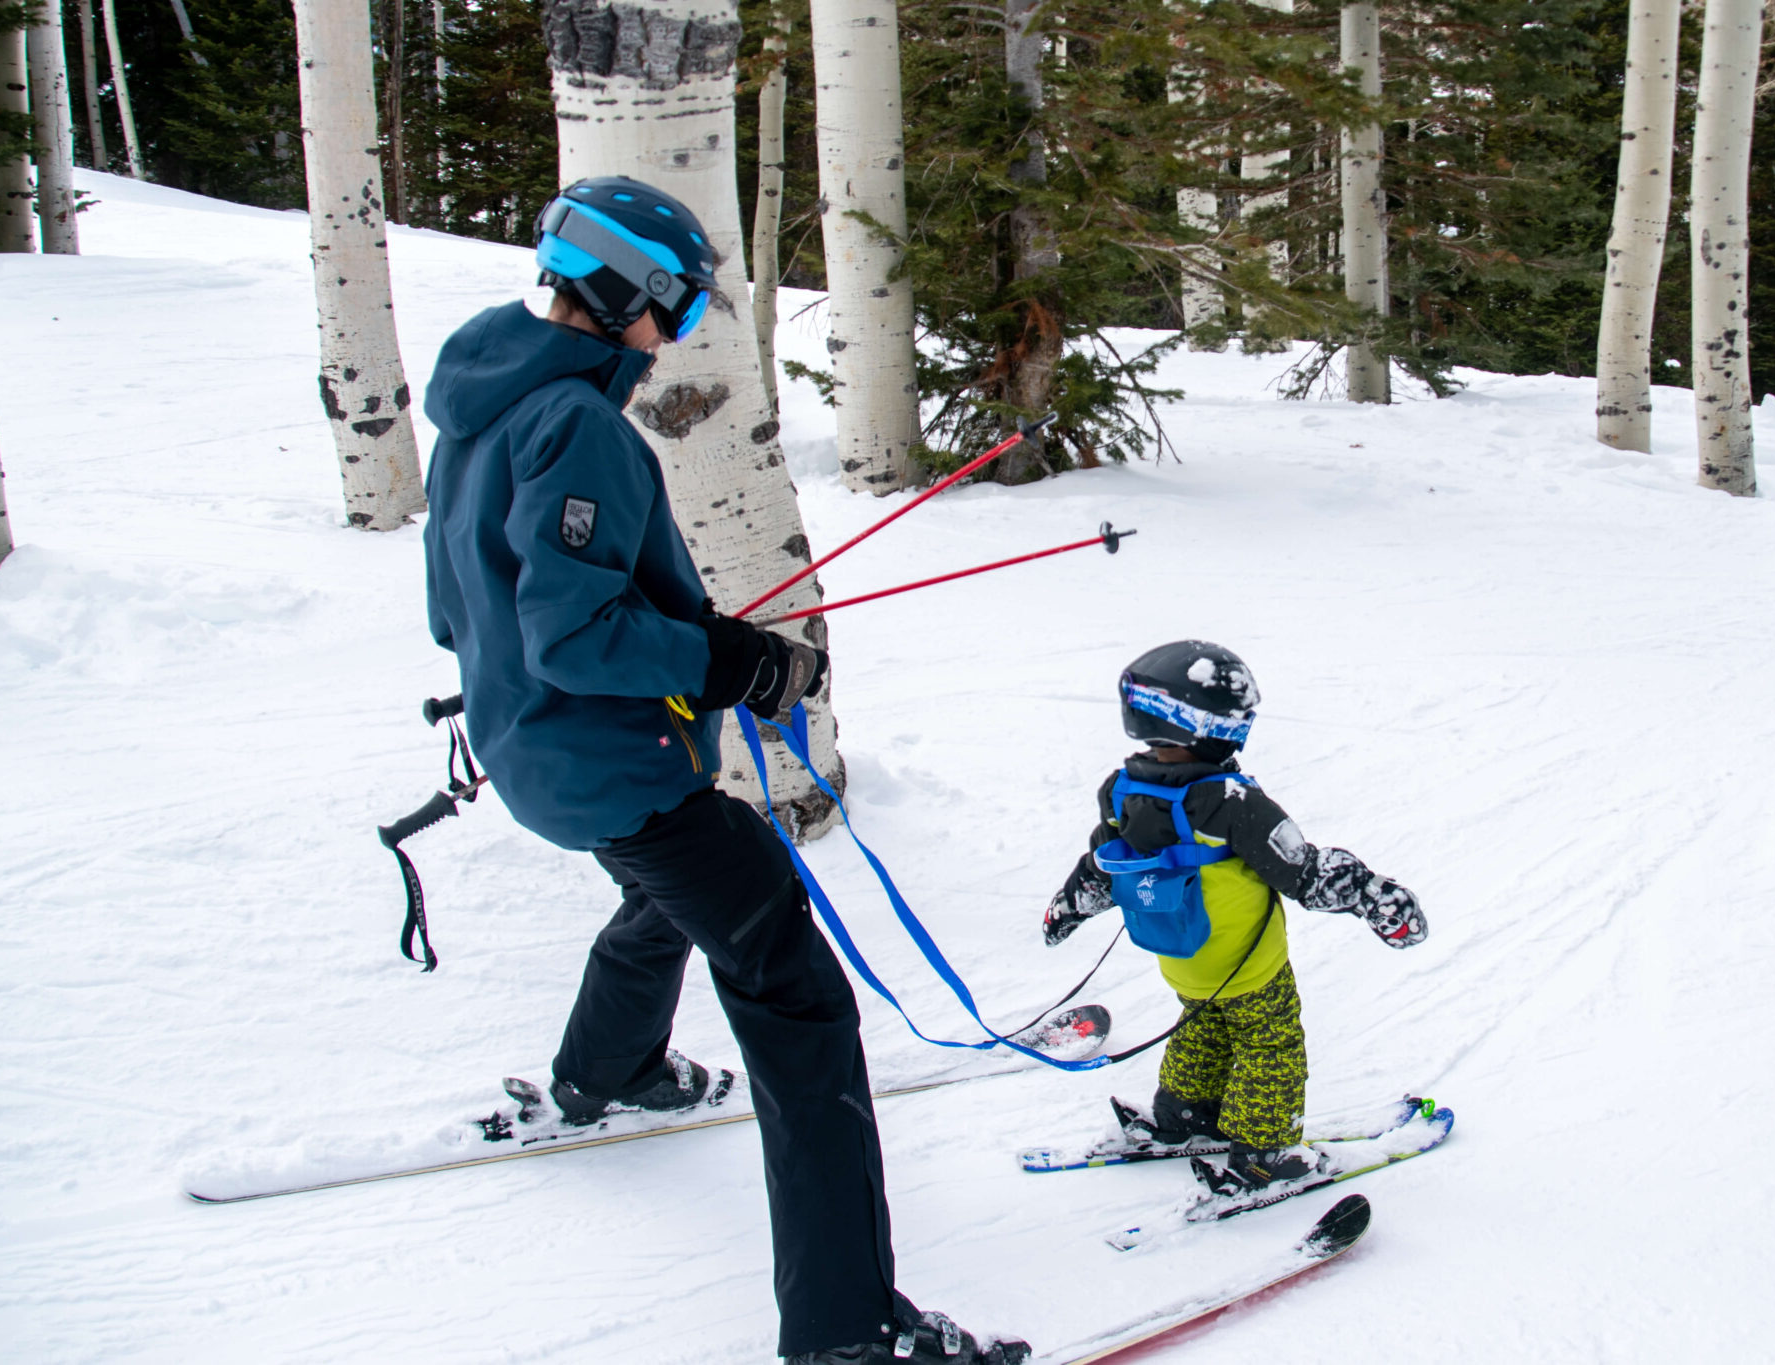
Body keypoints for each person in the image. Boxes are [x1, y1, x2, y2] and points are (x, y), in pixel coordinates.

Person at [419, 175, 1027, 1365]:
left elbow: (463, 610)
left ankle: (616, 1070)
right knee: (794, 999)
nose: (681, 336)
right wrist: (726, 660)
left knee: (667, 897)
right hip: (614, 764)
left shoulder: (482, 397)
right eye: (682, 310)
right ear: (627, 294)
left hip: (532, 752)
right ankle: (845, 1332)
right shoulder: (577, 424)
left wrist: (673, 641)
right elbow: (575, 635)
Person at [1040, 641, 1429, 1192]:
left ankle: (1184, 1117)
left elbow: (1102, 866)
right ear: (1206, 727)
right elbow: (1306, 871)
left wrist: (1068, 908)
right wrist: (1375, 898)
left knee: (1204, 1029)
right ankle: (1267, 1152)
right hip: (1247, 966)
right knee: (1270, 1045)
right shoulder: (1231, 801)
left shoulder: (1121, 791)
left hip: (1182, 957)